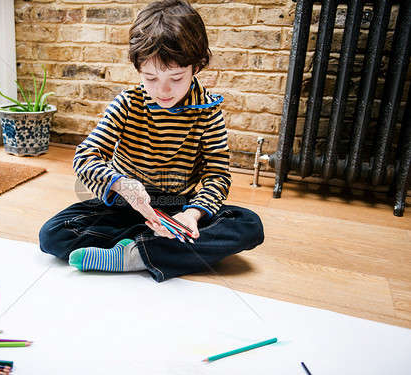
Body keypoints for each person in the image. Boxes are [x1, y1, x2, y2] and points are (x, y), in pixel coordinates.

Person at [39, 0, 264, 282]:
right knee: (53, 234)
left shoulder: (208, 110)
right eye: (151, 78)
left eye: (176, 77)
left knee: (249, 226)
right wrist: (122, 184)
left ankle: (133, 254)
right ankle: (156, 245)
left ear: (197, 66)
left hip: (179, 206)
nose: (163, 90)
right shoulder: (127, 104)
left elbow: (217, 175)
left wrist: (192, 215)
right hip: (126, 203)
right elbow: (86, 156)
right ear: (138, 69)